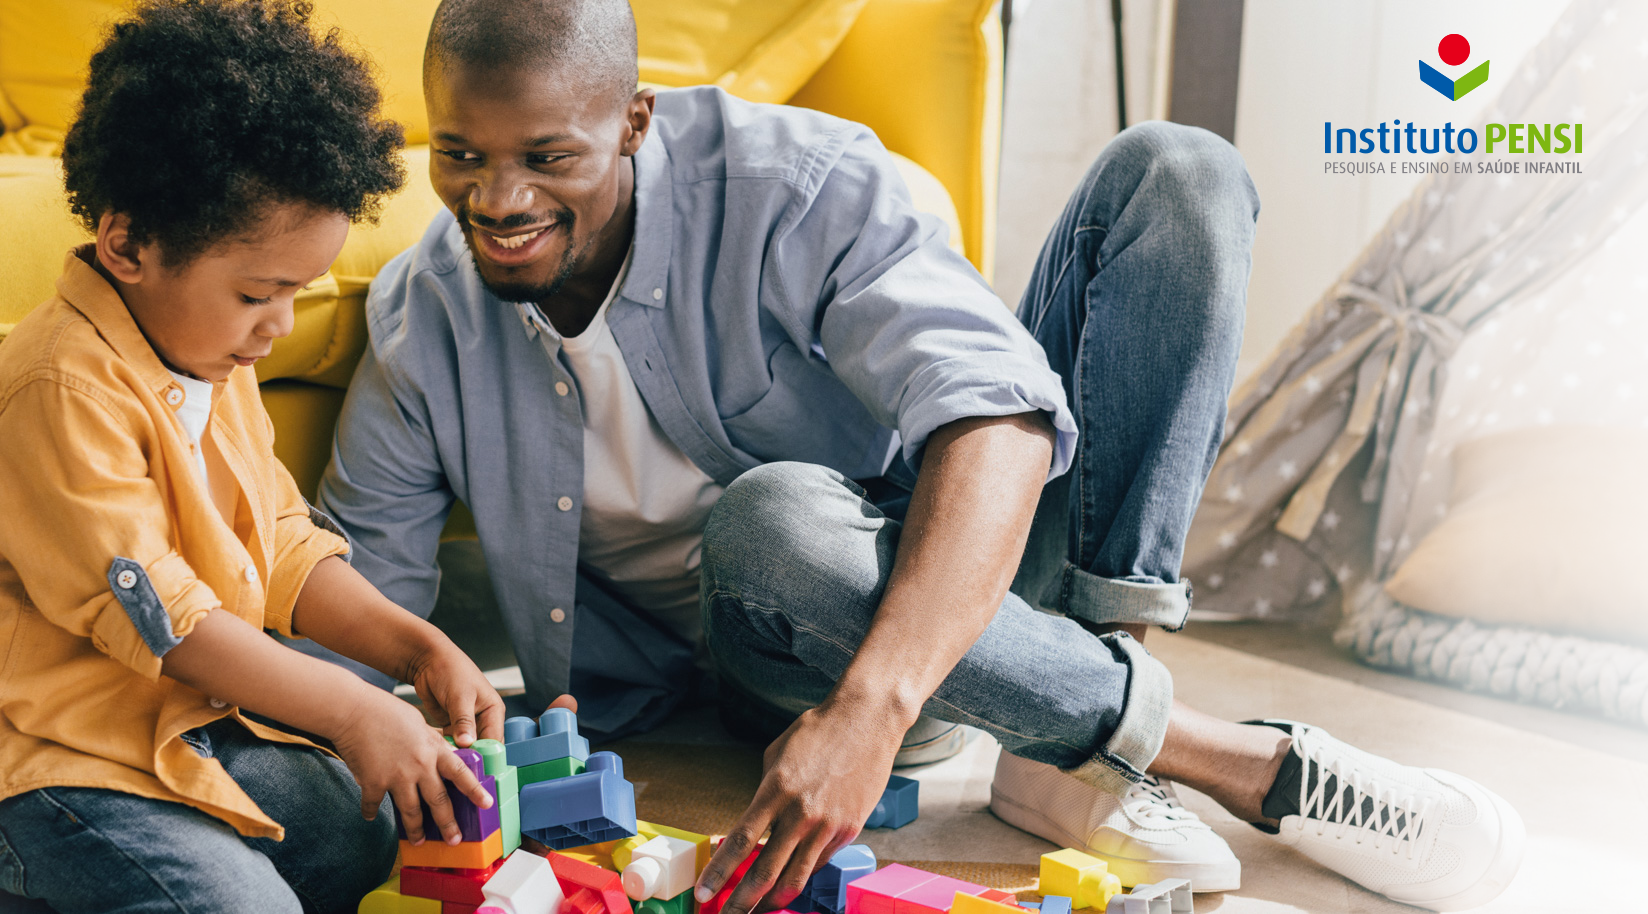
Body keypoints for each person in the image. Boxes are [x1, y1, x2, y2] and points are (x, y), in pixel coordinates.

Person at [316, 0, 1525, 910]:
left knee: (1180, 173)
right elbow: (352, 599)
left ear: (633, 119)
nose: (496, 199)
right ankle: (1245, 766)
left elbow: (993, 414)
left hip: (916, 619)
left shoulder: (795, 186)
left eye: (546, 155)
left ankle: (1073, 753)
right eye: (460, 154)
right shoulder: (425, 319)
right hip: (762, 654)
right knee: (774, 521)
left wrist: (872, 705)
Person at [0, 2, 509, 911]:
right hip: (37, 759)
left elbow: (280, 544)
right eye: (259, 292)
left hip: (176, 726)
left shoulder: (206, 345)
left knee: (367, 828)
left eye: (297, 292)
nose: (280, 327)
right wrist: (355, 706)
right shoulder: (59, 389)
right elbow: (167, 624)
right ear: (127, 242)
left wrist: (414, 650)